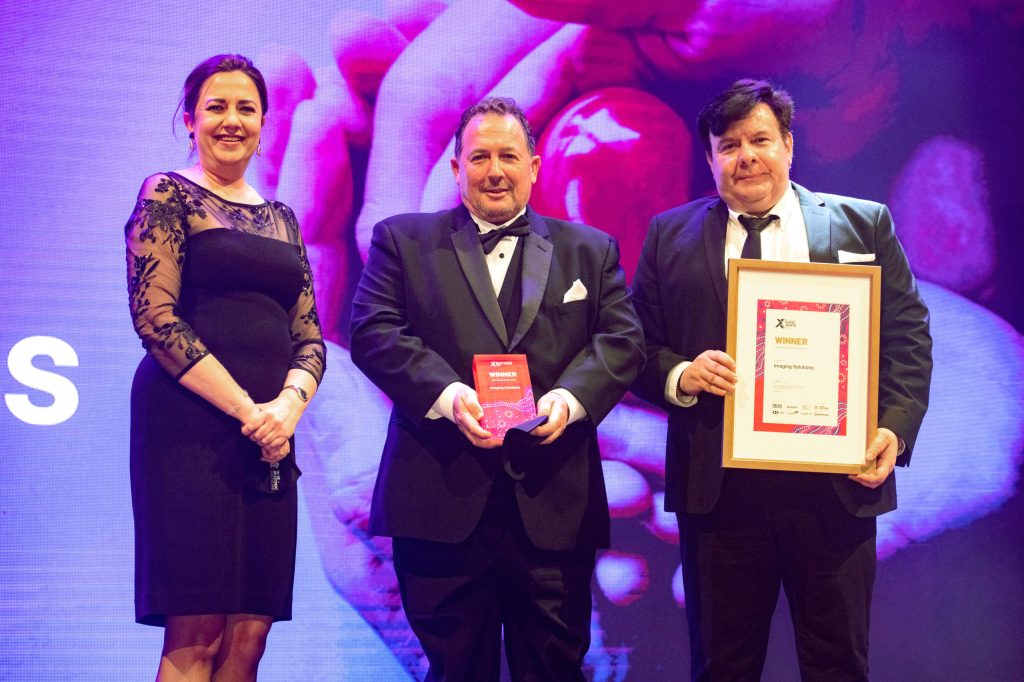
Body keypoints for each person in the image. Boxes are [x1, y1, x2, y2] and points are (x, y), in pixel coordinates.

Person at [631, 79, 932, 680]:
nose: (746, 156)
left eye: (761, 139)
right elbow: (636, 345)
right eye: (728, 144)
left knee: (838, 664)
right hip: (720, 496)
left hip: (835, 488)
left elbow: (908, 339)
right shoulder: (670, 235)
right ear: (710, 159)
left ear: (789, 146)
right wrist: (680, 374)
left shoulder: (862, 226)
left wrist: (893, 431)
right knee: (722, 665)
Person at [349, 96, 644, 681]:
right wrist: (450, 397)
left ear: (534, 166)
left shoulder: (591, 248)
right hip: (440, 497)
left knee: (555, 669)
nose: (494, 169)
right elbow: (373, 331)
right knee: (456, 669)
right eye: (478, 156)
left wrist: (571, 399)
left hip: (555, 501)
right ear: (457, 168)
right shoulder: (402, 241)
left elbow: (622, 341)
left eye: (508, 155)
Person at [125, 54, 325, 681]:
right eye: (216, 107)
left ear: (264, 123)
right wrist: (251, 413)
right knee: (198, 632)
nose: (231, 120)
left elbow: (311, 337)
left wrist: (286, 409)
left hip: (268, 441)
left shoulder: (283, 219)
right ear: (190, 120)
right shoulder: (167, 193)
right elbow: (155, 320)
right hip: (190, 433)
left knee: (249, 635)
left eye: (246, 108)